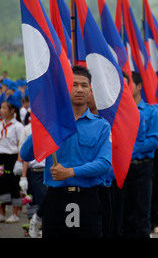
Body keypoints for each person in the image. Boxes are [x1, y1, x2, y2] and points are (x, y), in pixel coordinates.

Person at [20, 65, 112, 238]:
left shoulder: (101, 126)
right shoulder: (52, 122)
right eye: (74, 84)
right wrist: (45, 123)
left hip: (89, 199)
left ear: (90, 90)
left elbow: (104, 163)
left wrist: (70, 172)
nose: (79, 89)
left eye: (84, 85)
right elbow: (26, 154)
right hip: (56, 199)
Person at [120, 72, 158, 238]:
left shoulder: (151, 111)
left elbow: (153, 141)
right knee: (124, 213)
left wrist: (127, 151)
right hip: (122, 168)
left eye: (127, 84)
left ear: (138, 86)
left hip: (142, 167)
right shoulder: (119, 113)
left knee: (142, 212)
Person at [0, 94, 25, 224]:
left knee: (13, 184)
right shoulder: (0, 124)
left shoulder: (18, 127)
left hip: (13, 158)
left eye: (5, 108)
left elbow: (20, 146)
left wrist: (19, 162)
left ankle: (15, 213)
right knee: (1, 184)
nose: (2, 110)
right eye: (1, 107)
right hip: (1, 158)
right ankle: (2, 212)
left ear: (12, 110)